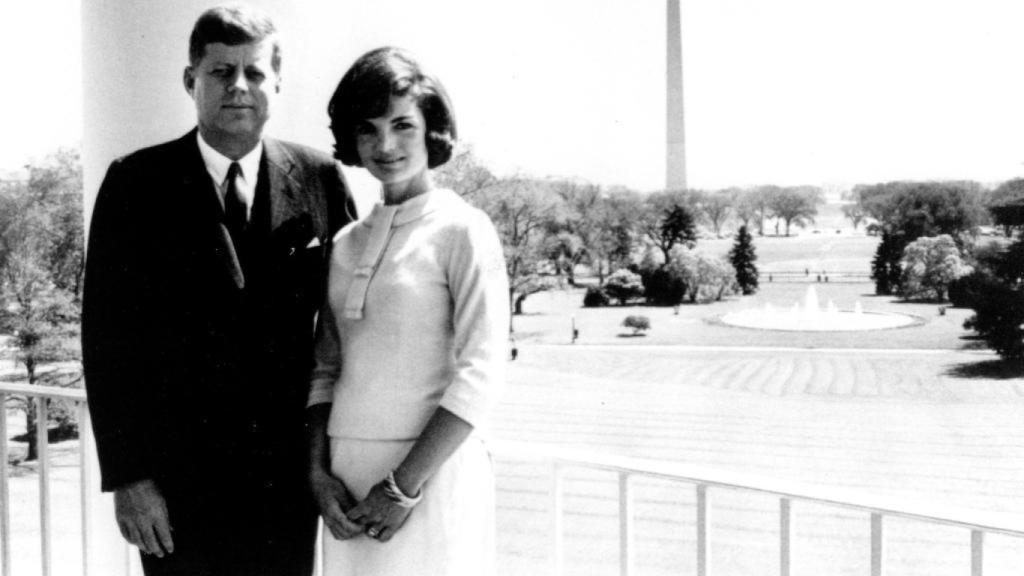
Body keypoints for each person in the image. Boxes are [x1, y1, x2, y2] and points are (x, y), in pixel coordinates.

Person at [81, 5, 356, 575]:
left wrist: (330, 459)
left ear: (276, 83)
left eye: (254, 73)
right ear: (191, 81)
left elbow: (347, 326)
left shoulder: (321, 179)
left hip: (286, 481)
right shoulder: (135, 182)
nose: (239, 87)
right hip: (177, 486)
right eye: (220, 71)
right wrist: (129, 477)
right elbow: (107, 341)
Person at [307, 47, 509, 575]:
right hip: (347, 482)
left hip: (428, 477)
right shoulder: (347, 242)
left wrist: (403, 488)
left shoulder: (464, 229)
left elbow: (482, 372)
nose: (385, 144)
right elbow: (325, 368)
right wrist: (317, 475)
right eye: (368, 129)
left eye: (402, 125)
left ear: (431, 129)